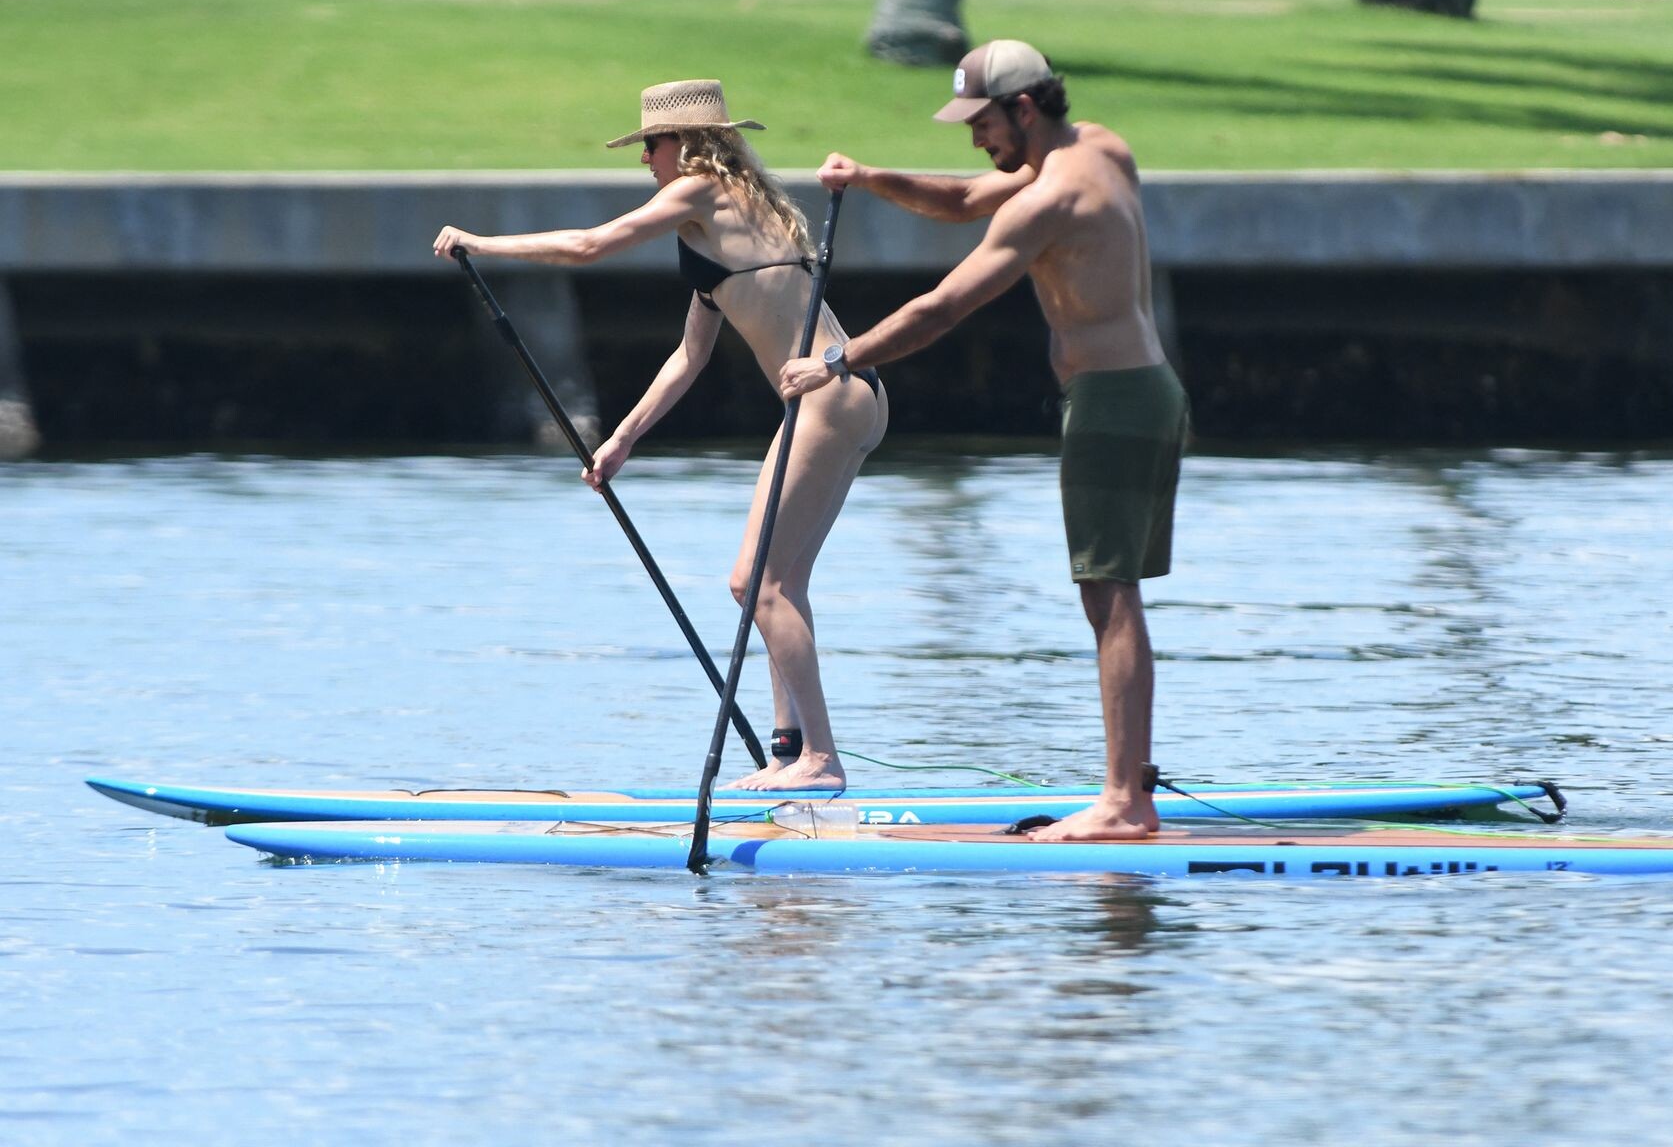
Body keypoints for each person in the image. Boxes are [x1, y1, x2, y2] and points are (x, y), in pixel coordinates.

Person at [781, 41, 1187, 841]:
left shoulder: (1048, 202)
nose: (975, 138)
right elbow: (967, 198)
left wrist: (834, 360)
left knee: (1109, 598)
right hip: (1148, 392)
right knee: (1115, 597)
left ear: (1024, 108)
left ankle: (1123, 803)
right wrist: (869, 178)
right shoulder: (1101, 148)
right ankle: (1129, 792)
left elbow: (941, 309)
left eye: (983, 122)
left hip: (1111, 405)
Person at [433, 80, 886, 792]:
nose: (645, 158)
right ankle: (789, 753)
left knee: (755, 583)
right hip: (851, 396)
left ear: (690, 145)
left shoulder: (702, 191)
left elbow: (591, 245)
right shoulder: (726, 217)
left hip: (828, 397)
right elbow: (689, 356)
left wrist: (480, 244)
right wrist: (621, 440)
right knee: (780, 584)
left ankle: (822, 762)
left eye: (652, 144)